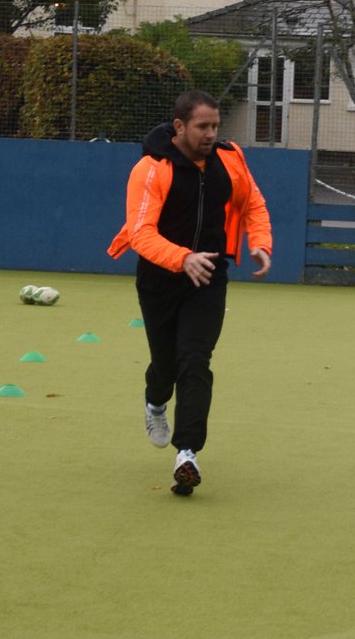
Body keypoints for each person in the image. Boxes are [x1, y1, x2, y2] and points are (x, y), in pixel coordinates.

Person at [107, 90, 272, 496]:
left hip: (209, 277)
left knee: (195, 359)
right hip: (160, 280)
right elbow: (140, 233)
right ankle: (155, 404)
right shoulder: (150, 170)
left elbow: (252, 202)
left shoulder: (229, 160)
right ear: (179, 127)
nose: (211, 134)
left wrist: (260, 242)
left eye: (215, 126)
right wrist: (182, 259)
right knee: (165, 365)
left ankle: (187, 453)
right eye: (203, 126)